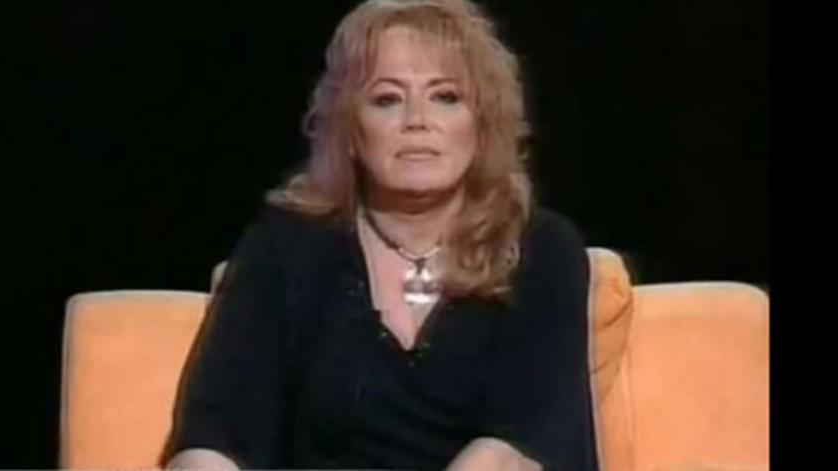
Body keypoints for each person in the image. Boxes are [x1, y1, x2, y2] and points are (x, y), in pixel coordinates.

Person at [164, 0, 598, 469]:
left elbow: (523, 444)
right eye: (387, 99)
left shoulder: (539, 249)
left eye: (445, 97)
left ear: (482, 123)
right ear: (349, 129)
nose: (417, 120)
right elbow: (213, 436)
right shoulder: (285, 248)